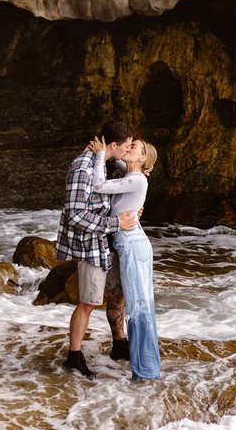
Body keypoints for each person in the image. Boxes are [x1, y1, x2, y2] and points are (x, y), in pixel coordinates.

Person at [56, 120, 137, 379]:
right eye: (126, 146)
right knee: (88, 303)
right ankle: (74, 357)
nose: (128, 151)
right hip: (92, 244)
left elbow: (126, 185)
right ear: (113, 145)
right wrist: (116, 223)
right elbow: (75, 215)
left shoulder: (108, 163)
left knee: (117, 296)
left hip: (111, 241)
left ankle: (119, 344)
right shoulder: (83, 168)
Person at [87, 135, 161, 382]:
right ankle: (144, 366)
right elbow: (117, 158)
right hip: (130, 241)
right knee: (139, 306)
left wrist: (100, 154)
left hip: (132, 244)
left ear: (143, 158)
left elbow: (99, 185)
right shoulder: (132, 174)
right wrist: (107, 151)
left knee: (139, 308)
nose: (128, 148)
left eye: (134, 146)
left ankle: (145, 371)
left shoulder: (137, 179)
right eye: (128, 144)